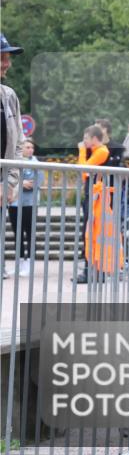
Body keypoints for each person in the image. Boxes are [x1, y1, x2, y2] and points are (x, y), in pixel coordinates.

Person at [1, 33, 26, 279]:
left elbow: (19, 144)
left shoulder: (8, 96)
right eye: (1, 58)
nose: (7, 63)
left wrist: (9, 183)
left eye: (7, 57)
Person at [74, 124, 111, 284]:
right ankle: (92, 271)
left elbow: (83, 170)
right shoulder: (97, 151)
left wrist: (82, 150)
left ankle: (92, 271)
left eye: (86, 138)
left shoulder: (101, 151)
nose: (83, 142)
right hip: (93, 196)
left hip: (96, 198)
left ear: (94, 139)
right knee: (90, 233)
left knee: (92, 233)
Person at [9, 138, 38, 277]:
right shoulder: (14, 162)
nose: (30, 150)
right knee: (18, 234)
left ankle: (29, 264)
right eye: (27, 147)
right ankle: (19, 263)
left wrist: (19, 182)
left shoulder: (36, 163)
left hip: (29, 203)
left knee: (30, 233)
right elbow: (10, 179)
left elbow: (35, 182)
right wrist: (22, 182)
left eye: (32, 147)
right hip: (14, 203)